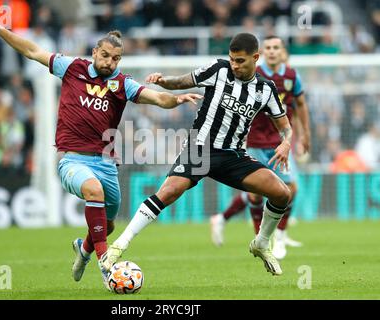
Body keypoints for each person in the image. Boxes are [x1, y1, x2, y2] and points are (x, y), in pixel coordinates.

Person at [0, 18, 202, 288]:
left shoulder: (121, 84)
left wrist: (176, 99)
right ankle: (106, 264)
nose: (109, 62)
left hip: (106, 163)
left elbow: (156, 97)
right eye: (105, 55)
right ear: (94, 52)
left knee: (108, 225)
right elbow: (32, 51)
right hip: (72, 160)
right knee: (94, 192)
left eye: (116, 58)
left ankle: (84, 250)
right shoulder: (72, 68)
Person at [101, 33, 294, 277]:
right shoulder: (218, 69)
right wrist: (163, 80)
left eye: (241, 61)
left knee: (282, 194)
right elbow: (182, 82)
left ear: (256, 58)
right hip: (200, 148)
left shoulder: (266, 89)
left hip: (233, 155)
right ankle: (120, 244)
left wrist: (286, 143)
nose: (234, 65)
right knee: (169, 191)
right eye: (232, 59)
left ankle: (261, 243)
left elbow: (285, 126)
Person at [210, 35, 311, 260]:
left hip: (280, 143)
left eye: (277, 47)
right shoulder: (254, 73)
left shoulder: (292, 76)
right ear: (261, 52)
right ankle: (259, 238)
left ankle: (280, 238)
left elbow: (301, 104)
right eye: (269, 47)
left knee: (290, 188)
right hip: (254, 140)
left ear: (283, 51)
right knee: (256, 195)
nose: (273, 51)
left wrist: (305, 134)